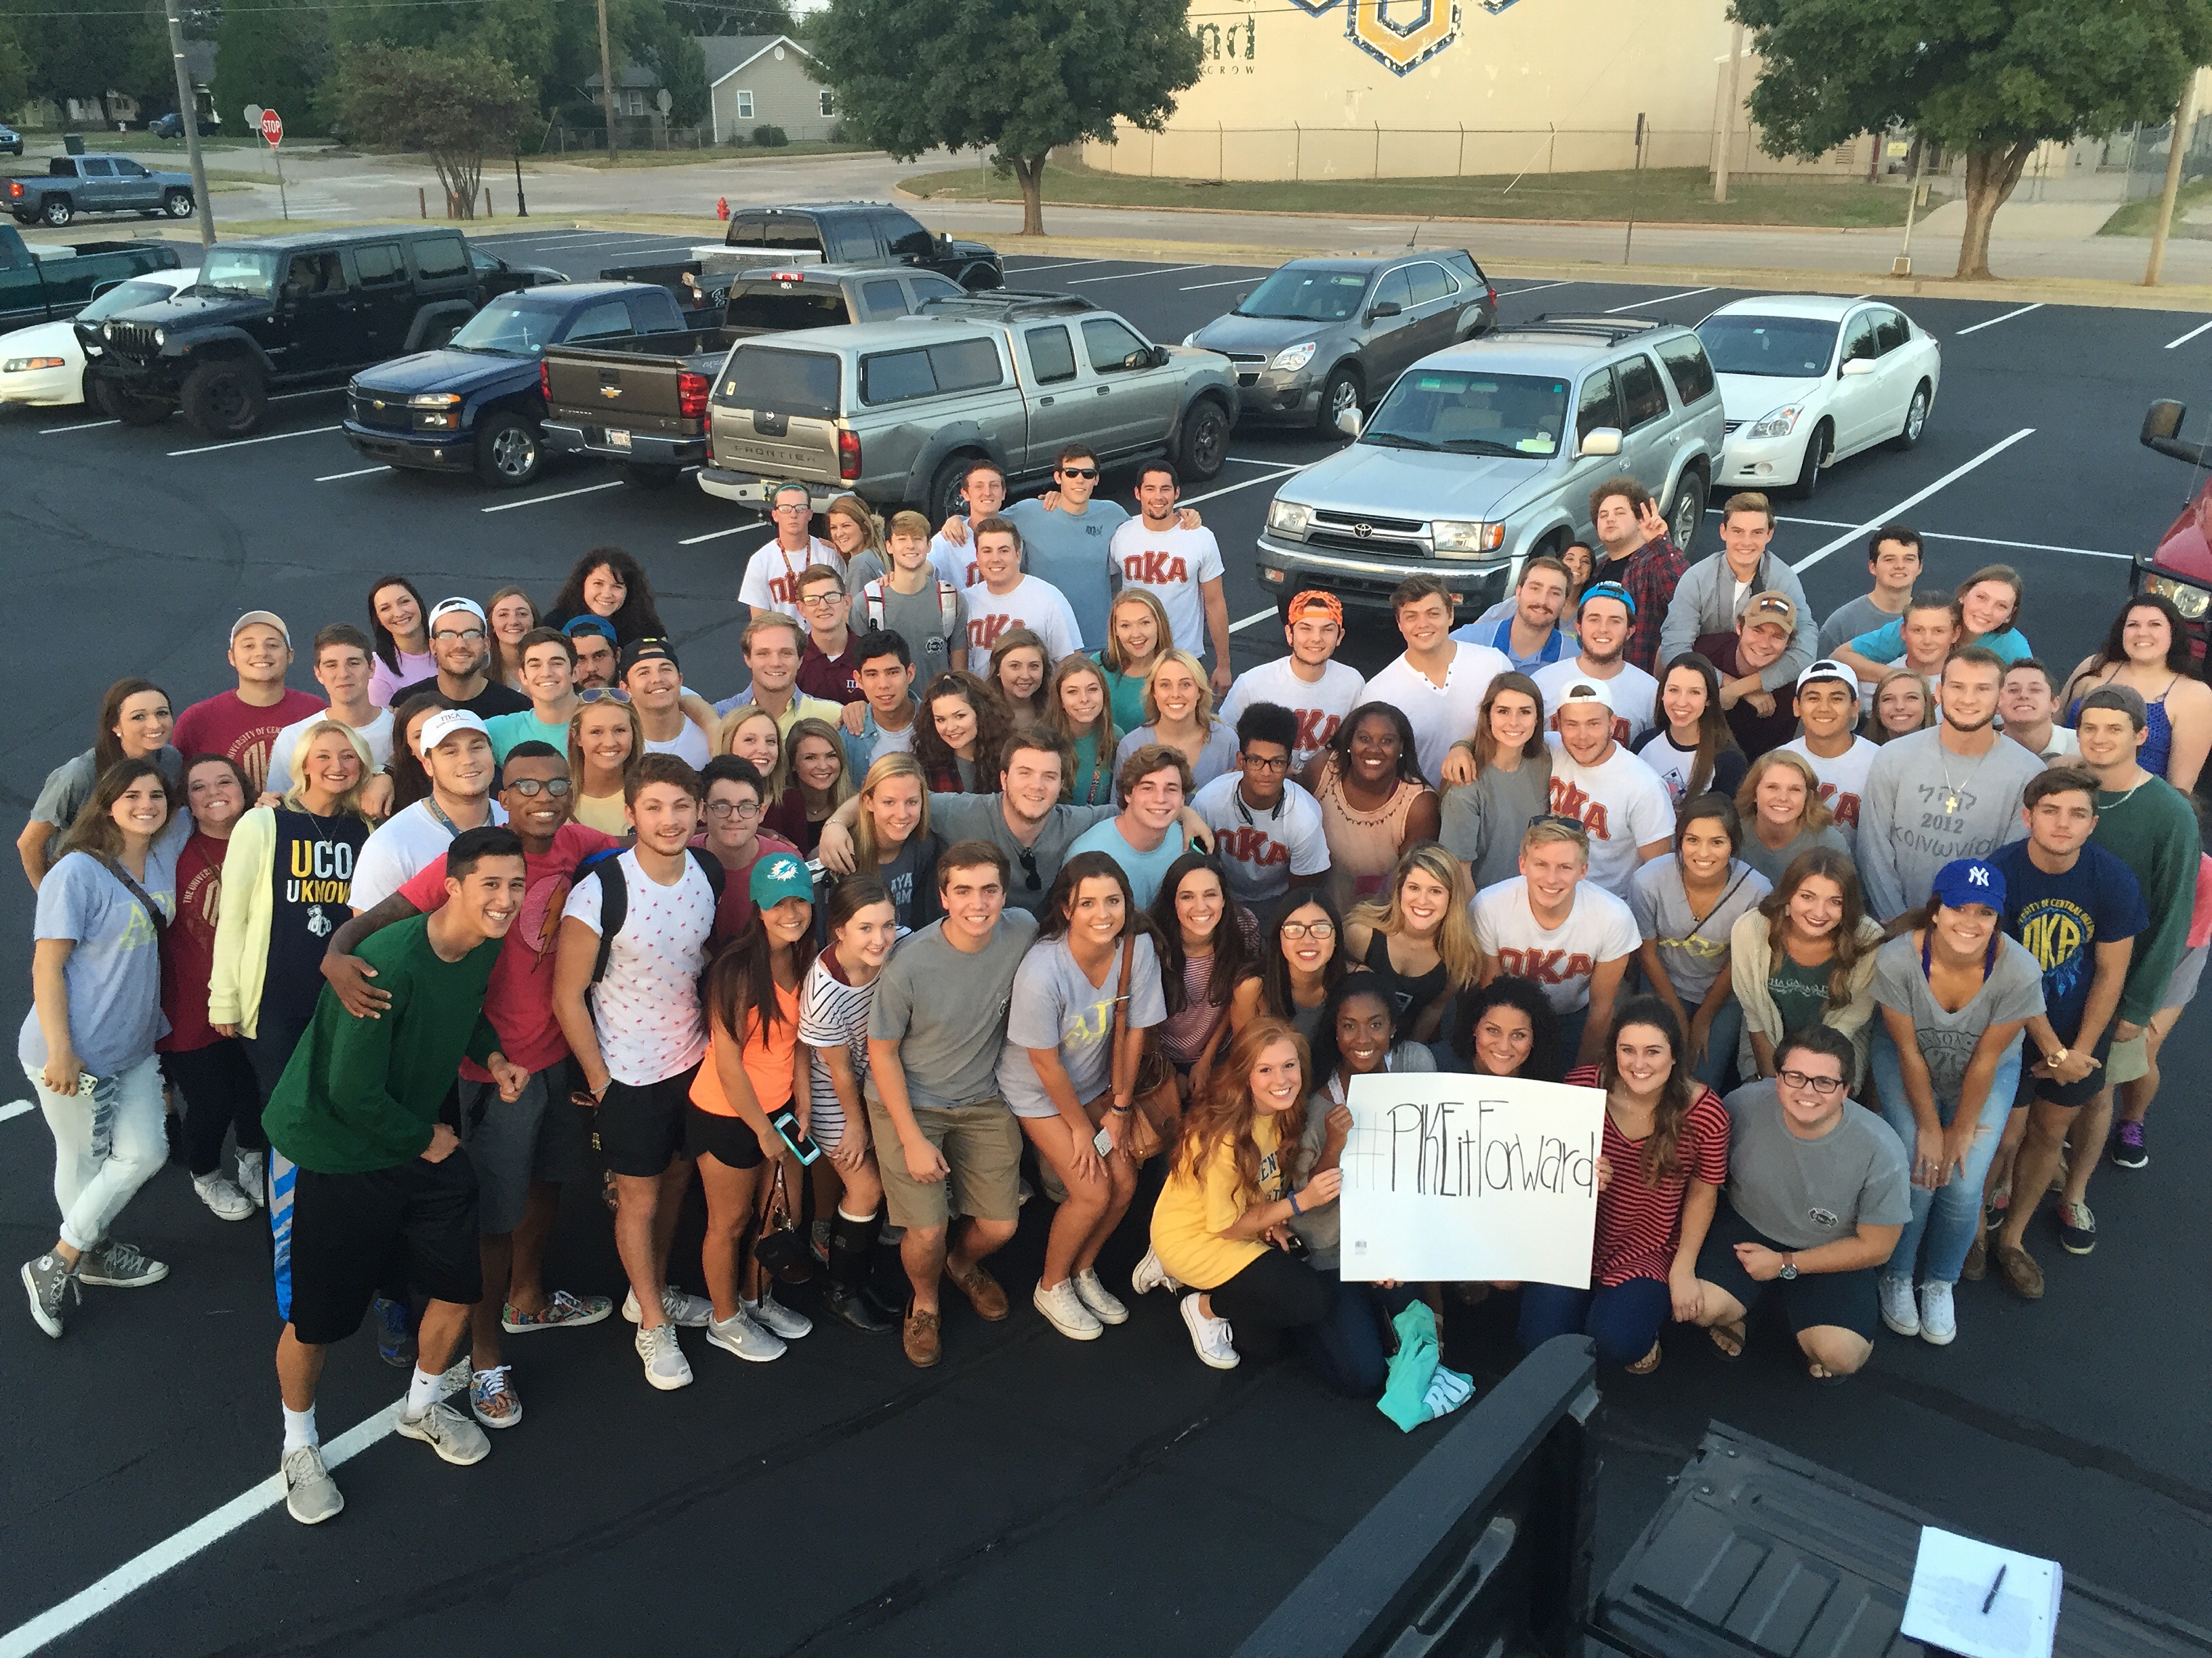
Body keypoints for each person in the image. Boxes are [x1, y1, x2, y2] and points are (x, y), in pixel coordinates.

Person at [321, 743, 618, 1425]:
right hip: (493, 1070)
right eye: (526, 786)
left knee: (546, 1186)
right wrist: (336, 952)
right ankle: (486, 1358)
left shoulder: (578, 842)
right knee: (491, 1218)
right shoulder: (479, 860)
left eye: (557, 785)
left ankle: (528, 1298)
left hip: (559, 1056)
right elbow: (382, 915)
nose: (544, 797)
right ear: (502, 798)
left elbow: (653, 841)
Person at [263, 825, 531, 1524]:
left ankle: (422, 1406)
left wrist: (494, 1056)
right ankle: (298, 1444)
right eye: (491, 885)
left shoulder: (483, 942)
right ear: (452, 887)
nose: (506, 899)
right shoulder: (384, 966)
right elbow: (351, 1094)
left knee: (458, 1283)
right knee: (317, 1319)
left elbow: (464, 1012)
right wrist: (426, 1137)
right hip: (338, 1149)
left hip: (411, 1139)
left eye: (515, 884)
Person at [552, 754, 721, 1391]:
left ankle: (652, 1291)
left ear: (698, 811)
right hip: (627, 1074)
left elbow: (696, 957)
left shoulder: (706, 871)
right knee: (638, 1199)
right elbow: (567, 996)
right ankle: (652, 1321)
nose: (669, 819)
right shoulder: (599, 892)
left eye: (680, 806)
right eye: (653, 807)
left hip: (692, 1062)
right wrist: (601, 1081)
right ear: (631, 814)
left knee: (675, 1182)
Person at [18, 759, 193, 1338]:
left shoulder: (163, 851)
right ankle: (84, 1255)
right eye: (132, 795)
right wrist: (61, 1050)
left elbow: (213, 807)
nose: (146, 804)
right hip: (70, 1047)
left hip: (134, 1041)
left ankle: (60, 1258)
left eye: (156, 794)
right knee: (82, 1158)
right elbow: (47, 967)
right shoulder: (76, 871)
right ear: (107, 804)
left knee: (145, 1153)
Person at [866, 842, 1041, 1367]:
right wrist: (912, 1139)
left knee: (1002, 1224)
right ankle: (925, 1302)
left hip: (982, 1097)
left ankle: (961, 1264)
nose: (977, 903)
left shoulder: (1023, 931)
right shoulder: (909, 965)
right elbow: (882, 1054)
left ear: (1005, 894)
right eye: (963, 891)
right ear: (943, 897)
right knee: (927, 1229)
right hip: (911, 1101)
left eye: (989, 890)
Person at [1869, 858, 2045, 1347]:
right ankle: (1897, 1273)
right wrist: (1930, 1128)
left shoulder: (2019, 970)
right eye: (1958, 908)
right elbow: (1907, 1051)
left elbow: (1986, 1060)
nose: (1970, 922)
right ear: (1936, 910)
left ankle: (1940, 1280)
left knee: (1965, 1183)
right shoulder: (1897, 960)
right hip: (1908, 1059)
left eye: (1984, 913)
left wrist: (1961, 1131)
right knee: (1919, 1169)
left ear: (1998, 918)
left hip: (1986, 1069)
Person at [1985, 769, 2142, 1299]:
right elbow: (2000, 969)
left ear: (2092, 824)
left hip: (2078, 1031)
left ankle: (2013, 1238)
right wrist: (2051, 1047)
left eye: (2077, 813)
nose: (2063, 823)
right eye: (2050, 810)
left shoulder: (2113, 878)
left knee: (2050, 1133)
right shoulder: (2000, 872)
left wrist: (2078, 1050)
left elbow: (2111, 972)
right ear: (2028, 816)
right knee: (2005, 1135)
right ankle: (1974, 1230)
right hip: (2011, 1026)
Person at [2057, 686, 2202, 1248]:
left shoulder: (2169, 813)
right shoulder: (2067, 791)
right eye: (2089, 727)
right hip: (2055, 972)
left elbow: (2172, 918)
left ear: (2141, 735)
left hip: (2117, 984)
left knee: (2096, 1093)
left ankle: (2075, 1193)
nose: (2099, 739)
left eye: (2114, 729)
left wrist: (2140, 1005)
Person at [999, 852, 1165, 1340]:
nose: (1102, 913)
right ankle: (1051, 1285)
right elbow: (1044, 1065)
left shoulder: (1135, 949)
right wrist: (1078, 1129)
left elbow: (1135, 1032)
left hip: (1095, 1086)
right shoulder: (1042, 971)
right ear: (1067, 909)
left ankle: (1082, 1269)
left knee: (1125, 1180)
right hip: (1037, 1092)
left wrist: (1121, 1106)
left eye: (1113, 900)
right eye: (1087, 902)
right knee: (1092, 1191)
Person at [1691, 1025, 1910, 1384]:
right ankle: (1742, 1311)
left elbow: (1877, 1247)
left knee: (1840, 1356)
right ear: (1777, 1079)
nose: (1807, 1091)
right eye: (1795, 1077)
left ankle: (1793, 1312)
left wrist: (1784, 1264)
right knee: (1700, 1307)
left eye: (1824, 1082)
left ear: (1846, 1090)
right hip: (1747, 1227)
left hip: (1830, 1249)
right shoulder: (1740, 1105)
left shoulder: (1882, 1150)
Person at [208, 722, 376, 1181]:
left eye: (348, 756)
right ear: (303, 764)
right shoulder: (265, 823)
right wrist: (224, 998)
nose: (336, 765)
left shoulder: (366, 828)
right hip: (276, 999)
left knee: (337, 1103)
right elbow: (234, 917)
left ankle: (327, 1202)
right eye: (323, 756)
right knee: (286, 1110)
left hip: (343, 997)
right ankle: (283, 1214)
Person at [1531, 998, 1728, 1373]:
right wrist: (1575, 1173)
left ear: (1674, 1056)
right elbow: (1545, 1165)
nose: (1639, 1064)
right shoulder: (1582, 1087)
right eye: (1628, 1050)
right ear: (1614, 1051)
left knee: (1617, 1342)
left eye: (1653, 1051)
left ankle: (1639, 1327)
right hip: (1576, 1236)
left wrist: (1683, 1268)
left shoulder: (1706, 1112)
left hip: (1647, 1245)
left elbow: (1704, 1191)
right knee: (1538, 1340)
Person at [1150, 1019, 1339, 1373]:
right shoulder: (1225, 1137)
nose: (1281, 1080)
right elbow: (1228, 1227)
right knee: (1310, 1301)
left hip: (1240, 1223)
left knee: (1268, 1345)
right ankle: (1202, 1307)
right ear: (1245, 1075)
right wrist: (1300, 1203)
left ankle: (1203, 1291)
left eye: (1289, 1065)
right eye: (1265, 1070)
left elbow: (1263, 1185)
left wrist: (1273, 1222)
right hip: (1199, 1238)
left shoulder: (1283, 1111)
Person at [689, 852, 819, 1363]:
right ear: (758, 908)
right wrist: (763, 1130)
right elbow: (728, 1065)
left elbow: (801, 1042)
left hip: (781, 1108)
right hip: (729, 1113)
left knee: (783, 1213)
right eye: (778, 903)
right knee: (730, 1222)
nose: (791, 913)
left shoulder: (807, 957)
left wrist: (802, 1102)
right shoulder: (737, 969)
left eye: (800, 901)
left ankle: (755, 1298)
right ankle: (725, 1320)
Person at [1275, 970, 1431, 1394]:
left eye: (1376, 1024)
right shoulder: (1316, 1102)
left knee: (1422, 1346)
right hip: (1333, 1251)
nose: (1363, 1038)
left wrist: (1394, 1247)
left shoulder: (1415, 1065)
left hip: (1394, 1239)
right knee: (1363, 1376)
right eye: (1349, 1026)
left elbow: (1433, 1165)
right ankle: (1306, 1322)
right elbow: (1308, 1211)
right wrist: (1334, 1145)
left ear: (1393, 1027)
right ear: (1335, 1030)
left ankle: (1374, 1313)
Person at [1857, 646, 2041, 921]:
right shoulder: (1893, 757)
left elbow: (2010, 867)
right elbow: (1874, 851)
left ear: (2001, 696)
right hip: (1893, 928)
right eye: (1957, 687)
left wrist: (1966, 927)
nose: (1968, 699)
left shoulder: (2028, 773)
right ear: (1939, 692)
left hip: (1972, 930)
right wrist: (1898, 925)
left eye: (1982, 689)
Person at [795, 875, 902, 1333]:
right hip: (833, 1092)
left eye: (888, 925)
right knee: (866, 1187)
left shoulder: (899, 946)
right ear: (839, 930)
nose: (880, 939)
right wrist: (856, 1126)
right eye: (866, 928)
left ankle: (860, 1267)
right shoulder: (823, 991)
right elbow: (838, 1071)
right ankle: (840, 1290)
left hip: (875, 1078)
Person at [160, 755, 258, 1220]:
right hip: (190, 1001)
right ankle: (206, 1175)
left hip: (254, 993)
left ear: (244, 789)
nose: (214, 792)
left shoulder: (267, 836)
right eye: (199, 787)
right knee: (211, 1101)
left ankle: (252, 1158)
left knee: (257, 1088)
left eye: (224, 781)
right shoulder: (171, 852)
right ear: (187, 802)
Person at [1473, 816, 1639, 1069]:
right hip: (1508, 1018)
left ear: (1583, 871)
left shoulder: (1613, 917)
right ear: (1523, 865)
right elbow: (1490, 995)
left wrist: (1580, 1078)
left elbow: (1601, 1008)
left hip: (1573, 1017)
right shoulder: (1489, 906)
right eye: (1541, 864)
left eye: (1565, 867)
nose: (1551, 879)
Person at [1631, 793, 1769, 1091]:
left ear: (1733, 845)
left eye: (1717, 842)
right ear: (1679, 841)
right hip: (1663, 983)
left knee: (1703, 1081)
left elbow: (1738, 962)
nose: (1703, 853)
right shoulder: (1648, 880)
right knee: (1654, 1073)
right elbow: (1648, 954)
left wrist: (1703, 1020)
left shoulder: (1756, 891)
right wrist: (1679, 1017)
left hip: (1722, 994)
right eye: (1692, 840)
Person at [1728, 848, 1885, 1084]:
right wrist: (1774, 1084)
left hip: (1837, 1046)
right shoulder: (1751, 930)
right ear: (1789, 896)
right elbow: (1755, 1018)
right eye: (1807, 897)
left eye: (1835, 902)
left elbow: (1848, 1023)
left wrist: (1807, 1085)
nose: (1819, 913)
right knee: (1759, 1096)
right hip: (1766, 1040)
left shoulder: (1868, 940)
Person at [20, 677, 180, 889]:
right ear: (115, 725)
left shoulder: (171, 761)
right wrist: (49, 897)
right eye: (138, 717)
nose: (155, 724)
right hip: (86, 889)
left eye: (162, 713)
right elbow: (29, 844)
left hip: (143, 889)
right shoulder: (80, 774)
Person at [351, 710, 508, 911]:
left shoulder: (515, 821)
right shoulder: (390, 844)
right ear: (428, 765)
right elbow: (368, 928)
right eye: (450, 752)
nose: (468, 760)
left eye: (477, 747)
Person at [1656, 492, 1812, 692]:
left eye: (1757, 533)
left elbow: (1805, 649)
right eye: (1738, 531)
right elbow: (1675, 649)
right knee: (1662, 655)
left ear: (1769, 534)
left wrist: (1745, 689)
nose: (1746, 542)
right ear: (1723, 532)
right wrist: (1727, 685)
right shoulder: (1696, 579)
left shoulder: (1784, 580)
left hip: (1762, 672)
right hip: (1708, 670)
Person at [1364, 575, 1509, 785]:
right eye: (1411, 616)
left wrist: (1464, 745)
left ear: (1451, 615)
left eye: (1433, 614)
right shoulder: (1378, 693)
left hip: (1491, 795)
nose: (1423, 624)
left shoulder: (1494, 665)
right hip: (1418, 801)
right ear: (1399, 623)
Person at [2059, 594, 2212, 791]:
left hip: (2136, 801)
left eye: (2155, 625)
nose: (2142, 633)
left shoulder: (2194, 695)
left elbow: (2180, 787)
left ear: (2173, 633)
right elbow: (2055, 724)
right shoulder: (2094, 666)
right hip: (2063, 789)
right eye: (2133, 625)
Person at [1542, 678, 1673, 903]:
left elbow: (1659, 872)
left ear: (1612, 724)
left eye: (1593, 724)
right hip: (1547, 892)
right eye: (1572, 724)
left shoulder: (1643, 786)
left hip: (1607, 905)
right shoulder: (1549, 749)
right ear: (1558, 725)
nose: (1582, 736)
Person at [171, 610, 327, 793]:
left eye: (272, 645)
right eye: (249, 646)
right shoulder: (196, 720)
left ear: (290, 656)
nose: (261, 653)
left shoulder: (316, 712)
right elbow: (177, 791)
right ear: (232, 657)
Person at [1190, 703, 1328, 909]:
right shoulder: (1209, 801)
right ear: (1240, 761)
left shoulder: (1305, 816)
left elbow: (1302, 892)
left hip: (1279, 900)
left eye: (1277, 762)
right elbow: (1194, 868)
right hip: (1220, 896)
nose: (1266, 772)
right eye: (1256, 761)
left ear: (1289, 764)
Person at [1305, 702, 1440, 911]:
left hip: (1381, 916)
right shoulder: (1322, 770)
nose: (1374, 750)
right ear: (1350, 742)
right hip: (1314, 909)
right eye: (1364, 739)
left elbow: (1413, 880)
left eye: (1387, 741)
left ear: (1401, 747)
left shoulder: (1419, 804)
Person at [1110, 461, 1232, 690]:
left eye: (1165, 489)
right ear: (1137, 493)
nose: (1158, 496)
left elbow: (1215, 603)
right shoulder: (1121, 534)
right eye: (1150, 489)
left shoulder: (1200, 538)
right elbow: (1104, 586)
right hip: (1133, 656)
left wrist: (1223, 665)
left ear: (1176, 493)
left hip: (1183, 656)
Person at [1218, 589, 1367, 771]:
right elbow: (1223, 741)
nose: (1316, 638)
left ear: (1340, 636)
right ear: (1289, 634)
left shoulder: (1352, 683)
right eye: (1306, 628)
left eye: (1327, 630)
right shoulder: (1252, 684)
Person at [1344, 843, 1477, 1044]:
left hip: (1403, 1044)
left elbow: (1434, 1009)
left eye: (1435, 891)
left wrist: (1407, 1057)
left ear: (1452, 898)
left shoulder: (1458, 955)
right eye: (1414, 888)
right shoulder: (1362, 934)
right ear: (1399, 889)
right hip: (1351, 1042)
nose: (1422, 901)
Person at [1438, 673, 1554, 892]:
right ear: (1488, 716)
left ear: (1538, 718)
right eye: (1503, 711)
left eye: (1525, 712)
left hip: (1538, 896)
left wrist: (1460, 744)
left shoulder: (1545, 759)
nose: (1514, 722)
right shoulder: (1466, 786)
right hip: (1486, 902)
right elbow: (1459, 873)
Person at [1151, 851, 1257, 1091]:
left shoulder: (1243, 927)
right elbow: (1141, 1019)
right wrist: (1169, 1072)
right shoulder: (1153, 942)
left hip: (1219, 1053)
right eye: (1187, 897)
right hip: (1160, 1057)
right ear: (1173, 902)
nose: (1201, 907)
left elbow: (1238, 1001)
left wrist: (1206, 1061)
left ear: (1224, 898)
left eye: (1210, 895)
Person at [1002, 444, 1124, 644]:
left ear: (1096, 479)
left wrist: (1180, 517)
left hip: (1097, 640)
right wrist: (956, 522)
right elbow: (983, 524)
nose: (1080, 479)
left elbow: (1147, 533)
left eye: (1087, 474)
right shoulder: (1029, 512)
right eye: (1071, 473)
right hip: (1042, 642)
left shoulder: (1113, 514)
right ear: (1058, 477)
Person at [264, 625, 396, 798]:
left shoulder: (400, 730)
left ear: (372, 668)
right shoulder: (294, 737)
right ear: (318, 674)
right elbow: (279, 802)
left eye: (354, 663)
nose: (343, 674)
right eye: (331, 665)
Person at [1839, 564, 2031, 683]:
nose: (1987, 610)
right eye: (1981, 597)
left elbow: (2029, 693)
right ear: (1964, 595)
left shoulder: (2013, 647)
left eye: (2001, 606)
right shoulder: (1928, 622)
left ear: (2010, 615)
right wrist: (1909, 679)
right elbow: (1841, 656)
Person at [1532, 583, 1658, 746]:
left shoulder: (1650, 692)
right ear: (1578, 627)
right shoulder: (1543, 682)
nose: (1603, 629)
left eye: (1615, 621)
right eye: (1594, 619)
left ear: (1630, 631)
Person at [1068, 745, 1194, 907]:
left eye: (1171, 789)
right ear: (1128, 794)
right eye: (1147, 788)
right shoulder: (1088, 855)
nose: (1160, 799)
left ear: (1183, 798)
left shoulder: (1187, 842)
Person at [1584, 478, 1688, 672]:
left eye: (1620, 513)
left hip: (1640, 676)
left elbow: (1685, 596)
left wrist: (1660, 541)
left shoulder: (1653, 561)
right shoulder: (1600, 567)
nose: (1610, 519)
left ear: (1641, 519)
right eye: (1603, 515)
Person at [697, 755, 800, 944]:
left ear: (761, 812)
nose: (735, 817)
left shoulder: (785, 862)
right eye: (722, 806)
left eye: (746, 807)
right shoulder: (684, 857)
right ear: (703, 811)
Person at [857, 509, 967, 683]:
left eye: (917, 538)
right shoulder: (867, 603)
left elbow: (960, 675)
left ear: (929, 545)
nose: (910, 545)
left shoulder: (951, 601)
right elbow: (858, 669)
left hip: (937, 700)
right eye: (902, 539)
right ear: (889, 546)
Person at [1779, 660, 1878, 852]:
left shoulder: (1880, 761)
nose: (1824, 708)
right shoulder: (1778, 762)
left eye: (1837, 699)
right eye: (1813, 698)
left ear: (1855, 707)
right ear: (1797, 706)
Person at [962, 518, 1082, 673]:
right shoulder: (966, 601)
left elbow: (1071, 665)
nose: (996, 559)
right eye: (987, 551)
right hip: (980, 689)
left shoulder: (1048, 598)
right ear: (977, 557)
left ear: (1018, 555)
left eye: (1004, 550)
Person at [1231, 890, 1349, 1045]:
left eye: (1321, 929)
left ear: (1337, 938)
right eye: (1294, 929)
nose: (1307, 940)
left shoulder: (1356, 982)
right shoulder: (1252, 988)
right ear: (1279, 938)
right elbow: (1243, 1054)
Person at [1628, 653, 1747, 807]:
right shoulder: (1643, 742)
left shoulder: (1728, 760)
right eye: (1674, 690)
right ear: (1662, 694)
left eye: (1694, 692)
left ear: (1709, 699)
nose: (1682, 702)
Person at [1696, 592, 1803, 761]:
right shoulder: (1705, 651)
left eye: (1777, 636)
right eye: (1757, 630)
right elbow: (1666, 658)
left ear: (1788, 643)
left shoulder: (1790, 693)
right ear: (1739, 626)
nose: (1764, 644)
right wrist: (1736, 689)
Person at [1114, 647, 1238, 791]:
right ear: (1153, 692)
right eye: (1165, 685)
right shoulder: (1130, 746)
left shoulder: (1227, 741)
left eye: (1185, 684)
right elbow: (1120, 803)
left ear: (1199, 691)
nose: (1175, 694)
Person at [848, 754, 941, 932]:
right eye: (889, 802)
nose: (902, 814)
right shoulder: (844, 854)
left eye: (912, 802)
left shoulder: (924, 847)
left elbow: (925, 920)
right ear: (869, 802)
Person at [1734, 751, 1850, 885]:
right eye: (1772, 787)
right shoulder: (1733, 836)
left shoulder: (1830, 844)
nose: (1783, 798)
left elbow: (1847, 896)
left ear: (1808, 796)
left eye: (1795, 789)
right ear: (1754, 793)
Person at [717, 613, 842, 732]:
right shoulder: (719, 717)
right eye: (763, 653)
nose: (775, 663)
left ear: (800, 660)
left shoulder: (834, 716)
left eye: (786, 653)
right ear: (748, 659)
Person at [1452, 554, 1574, 673]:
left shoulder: (1572, 659)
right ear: (1518, 593)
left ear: (1565, 603)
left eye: (1555, 593)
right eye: (1535, 588)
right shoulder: (1470, 641)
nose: (1542, 601)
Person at [1817, 525, 1923, 660]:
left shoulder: (1933, 620)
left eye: (1909, 559)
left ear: (1920, 567)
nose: (1900, 566)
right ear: (1873, 567)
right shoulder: (1841, 624)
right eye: (1889, 559)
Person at [741, 483, 839, 626]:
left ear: (810, 514)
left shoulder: (828, 555)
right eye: (785, 508)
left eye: (800, 508)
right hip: (782, 638)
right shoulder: (760, 561)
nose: (793, 515)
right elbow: (759, 621)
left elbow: (840, 609)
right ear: (775, 515)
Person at [419, 598, 530, 721]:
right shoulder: (409, 702)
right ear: (433, 645)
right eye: (447, 635)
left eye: (471, 634)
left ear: (486, 644)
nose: (460, 645)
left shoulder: (518, 709)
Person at [1439, 974, 1561, 1081]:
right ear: (1474, 1027)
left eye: (1519, 1035)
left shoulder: (1552, 1084)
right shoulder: (1434, 1066)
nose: (1504, 1047)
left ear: (1535, 1038)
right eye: (1493, 1030)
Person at [483, 629, 580, 763]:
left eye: (556, 663)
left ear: (575, 673)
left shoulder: (602, 724)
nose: (546, 673)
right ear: (523, 676)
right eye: (535, 665)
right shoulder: (498, 731)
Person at [762, 716, 853, 856]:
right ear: (793, 764)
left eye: (831, 756)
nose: (823, 766)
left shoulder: (854, 805)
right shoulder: (777, 808)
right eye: (810, 758)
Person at [839, 629, 922, 776]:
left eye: (893, 672)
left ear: (910, 674)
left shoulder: (938, 723)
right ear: (859, 680)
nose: (883, 685)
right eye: (872, 674)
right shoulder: (848, 736)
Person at [912, 669, 1008, 794]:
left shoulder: (1008, 758)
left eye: (960, 716)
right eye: (941, 720)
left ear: (981, 713)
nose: (950, 727)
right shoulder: (924, 767)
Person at [1097, 587, 1176, 739]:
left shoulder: (1178, 671)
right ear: (1115, 630)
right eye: (1125, 626)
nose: (1136, 634)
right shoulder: (1097, 665)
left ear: (1159, 624)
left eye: (1145, 623)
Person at [545, 546, 667, 645]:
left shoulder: (647, 630)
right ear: (582, 584)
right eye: (598, 584)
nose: (607, 594)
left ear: (629, 591)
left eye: (617, 587)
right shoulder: (555, 625)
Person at [621, 638, 712, 768]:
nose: (657, 679)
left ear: (680, 680)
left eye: (665, 669)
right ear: (626, 688)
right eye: (644, 673)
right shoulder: (621, 745)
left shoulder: (709, 734)